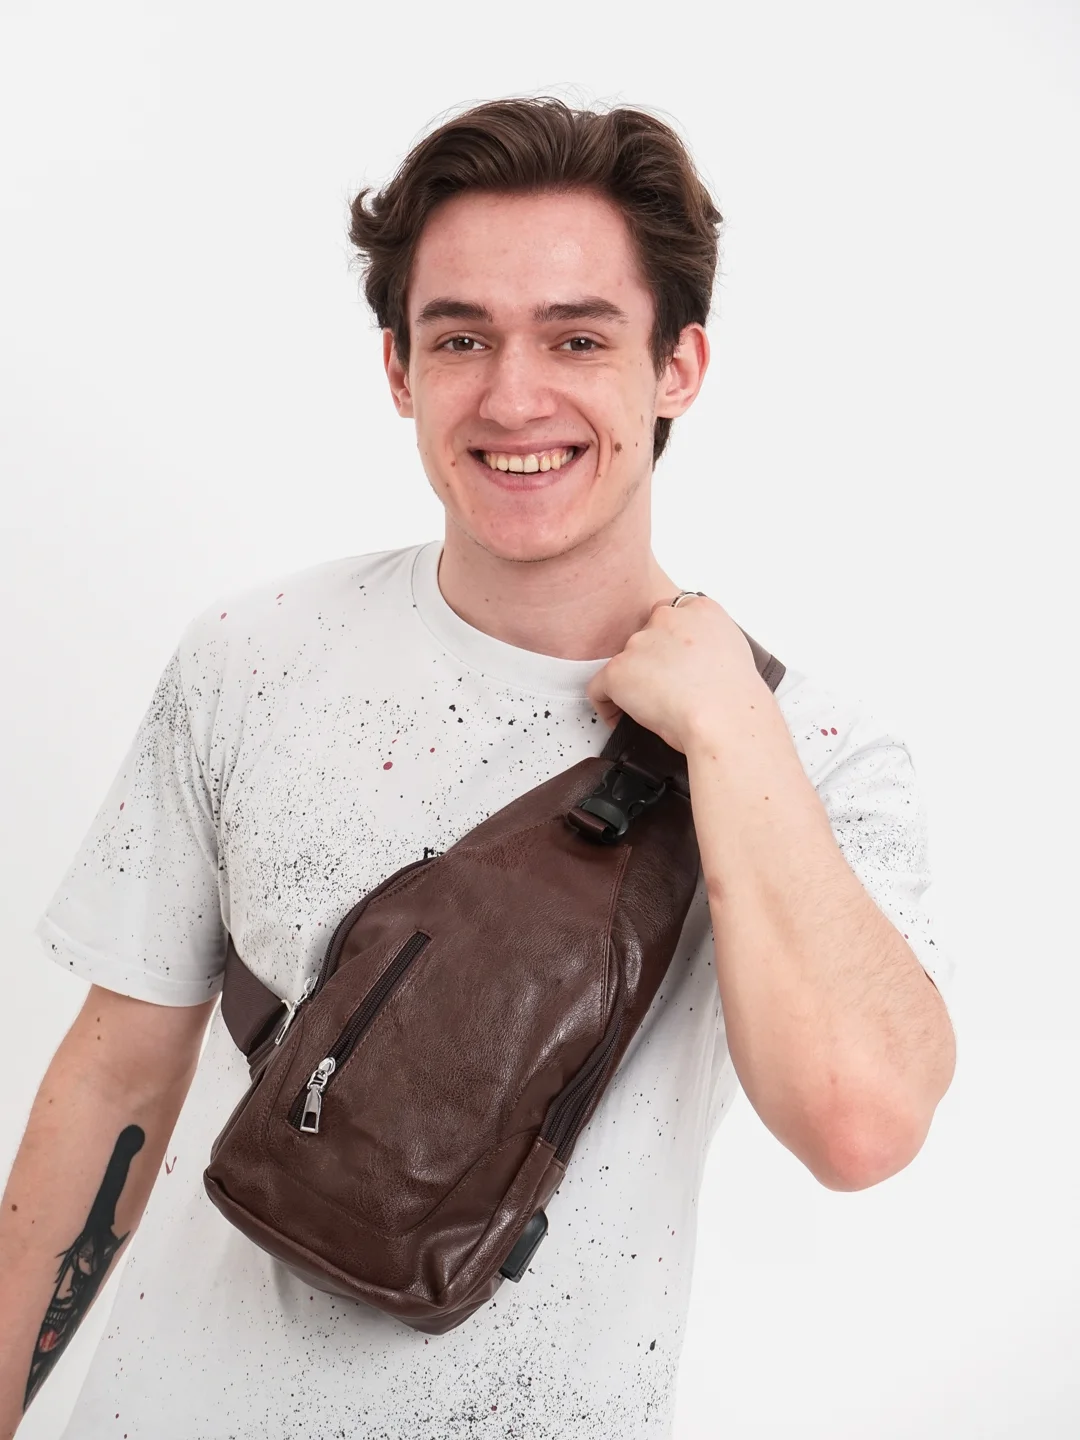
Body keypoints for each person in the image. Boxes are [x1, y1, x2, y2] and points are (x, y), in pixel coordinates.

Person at [0, 96, 956, 1440]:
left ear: (678, 366)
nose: (515, 399)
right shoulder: (251, 657)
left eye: (579, 338)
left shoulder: (819, 756)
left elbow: (861, 1127)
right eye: (461, 338)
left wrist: (736, 731)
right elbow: (115, 1078)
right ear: (399, 370)